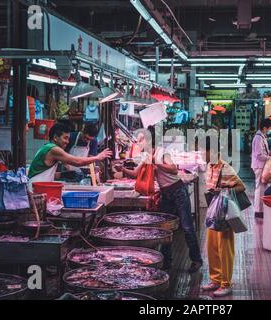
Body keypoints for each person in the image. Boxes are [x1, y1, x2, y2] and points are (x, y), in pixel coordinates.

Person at [120, 126, 203, 273]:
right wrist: (121, 169)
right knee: (164, 229)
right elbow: (134, 174)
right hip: (165, 195)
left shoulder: (162, 152)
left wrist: (155, 162)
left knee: (187, 227)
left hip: (178, 192)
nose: (138, 143)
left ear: (149, 140)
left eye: (141, 140)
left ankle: (196, 260)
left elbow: (173, 169)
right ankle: (166, 261)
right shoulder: (146, 156)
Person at [201, 140, 245, 297]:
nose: (200, 155)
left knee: (224, 248)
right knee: (212, 247)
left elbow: (241, 186)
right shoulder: (210, 166)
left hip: (224, 212)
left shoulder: (225, 167)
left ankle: (226, 283)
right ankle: (215, 279)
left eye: (202, 151)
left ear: (211, 151)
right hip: (213, 211)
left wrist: (225, 189)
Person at [28, 122, 112, 184]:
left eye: (68, 139)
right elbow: (77, 162)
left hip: (39, 187)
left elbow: (47, 174)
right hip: (36, 189)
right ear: (55, 137)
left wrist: (63, 175)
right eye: (65, 138)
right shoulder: (53, 149)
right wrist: (97, 157)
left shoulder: (46, 147)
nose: (67, 142)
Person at [251, 119, 271, 219]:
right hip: (259, 166)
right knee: (260, 188)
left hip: (261, 165)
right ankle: (258, 211)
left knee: (261, 188)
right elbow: (259, 155)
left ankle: (260, 210)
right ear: (265, 128)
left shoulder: (262, 137)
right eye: (270, 128)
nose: (270, 130)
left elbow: (264, 152)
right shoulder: (258, 138)